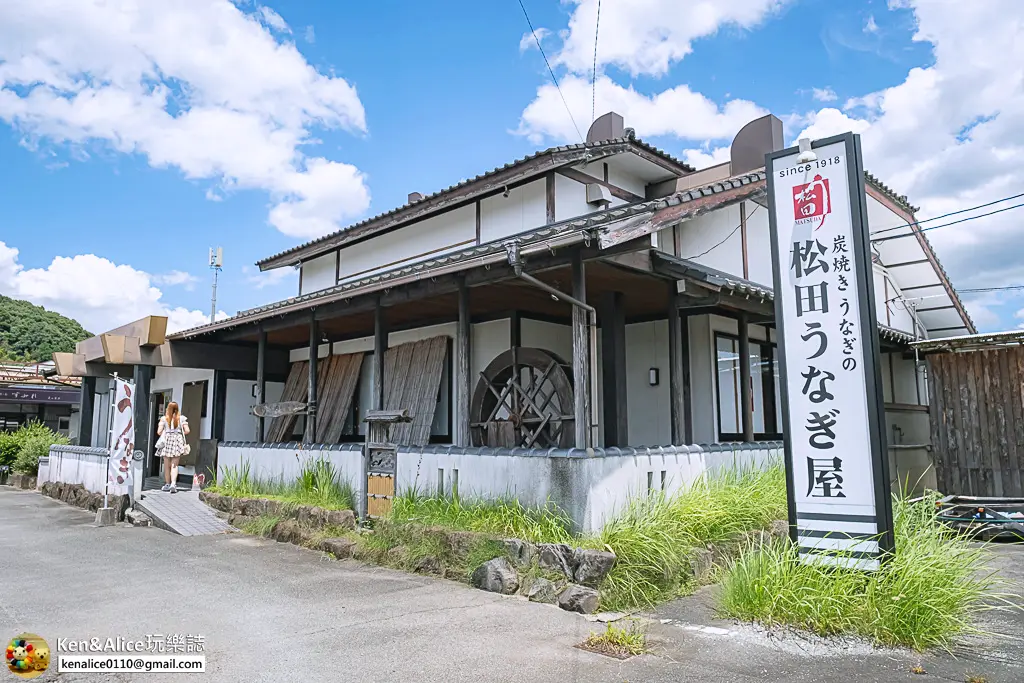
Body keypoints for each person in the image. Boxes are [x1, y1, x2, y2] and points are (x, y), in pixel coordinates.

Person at [155, 401, 190, 493]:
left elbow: (159, 432)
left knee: (167, 465)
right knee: (175, 465)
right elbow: (187, 431)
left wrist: (167, 432)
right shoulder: (181, 419)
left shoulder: (163, 419)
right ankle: (173, 484)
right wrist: (178, 433)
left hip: (167, 441)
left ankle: (167, 484)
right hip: (177, 441)